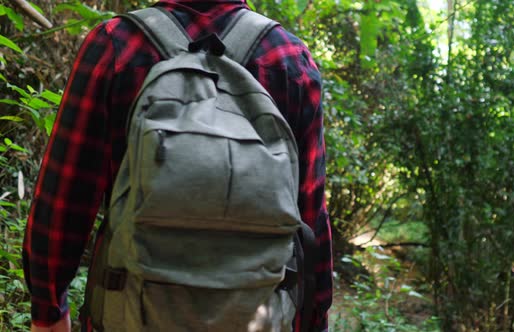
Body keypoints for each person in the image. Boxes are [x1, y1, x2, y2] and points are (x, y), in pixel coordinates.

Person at [22, 1, 332, 331]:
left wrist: (49, 309)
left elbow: (63, 200)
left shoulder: (114, 45)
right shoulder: (289, 59)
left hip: (132, 313)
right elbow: (309, 214)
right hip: (254, 313)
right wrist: (315, 317)